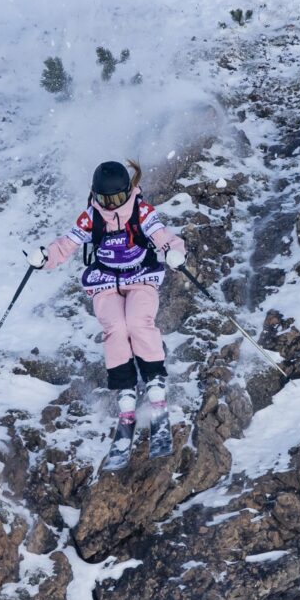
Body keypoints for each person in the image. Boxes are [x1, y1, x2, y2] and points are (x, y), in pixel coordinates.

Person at [26, 160, 186, 468]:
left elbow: (163, 237)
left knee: (137, 322)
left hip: (140, 275)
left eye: (117, 199)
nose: (111, 205)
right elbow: (66, 245)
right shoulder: (92, 216)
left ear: (128, 191)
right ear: (95, 196)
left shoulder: (141, 211)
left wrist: (175, 252)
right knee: (115, 328)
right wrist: (45, 257)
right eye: (104, 199)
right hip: (105, 280)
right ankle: (126, 394)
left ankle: (155, 385)